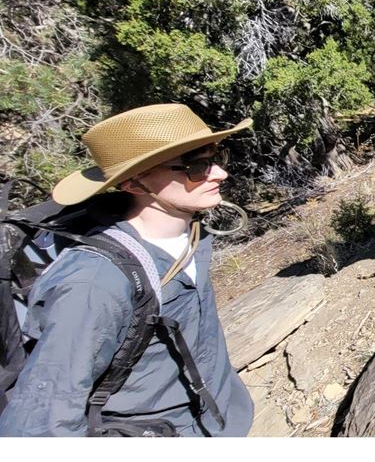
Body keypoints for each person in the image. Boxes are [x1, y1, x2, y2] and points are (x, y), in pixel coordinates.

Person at [0, 103, 255, 436]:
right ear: (135, 184)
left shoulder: (193, 230)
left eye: (216, 159)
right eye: (196, 167)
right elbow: (38, 424)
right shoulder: (94, 283)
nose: (219, 174)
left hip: (224, 415)